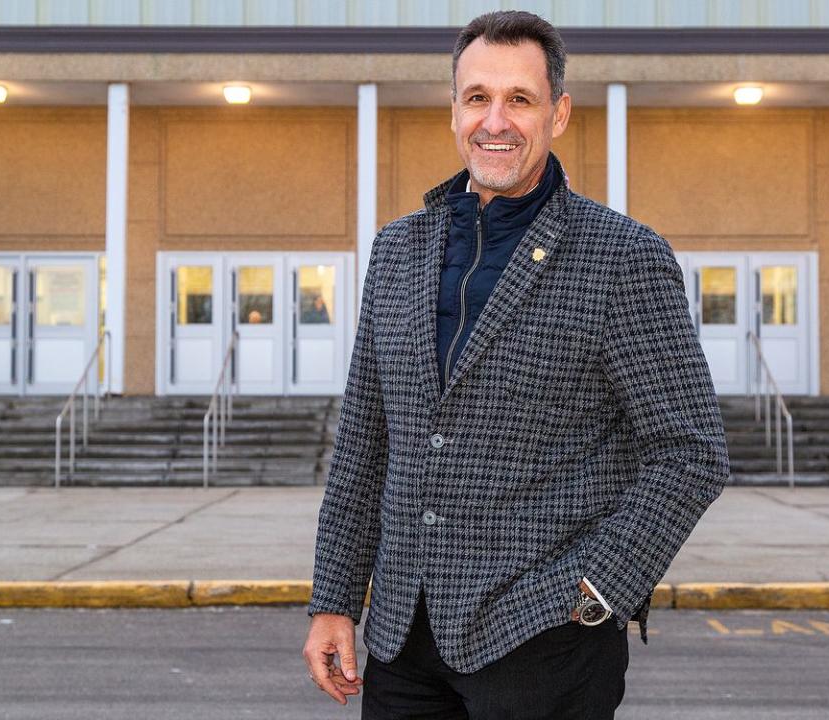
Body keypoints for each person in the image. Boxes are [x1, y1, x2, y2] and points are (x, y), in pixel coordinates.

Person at [303, 10, 729, 719]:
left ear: (558, 113)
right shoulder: (397, 250)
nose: (494, 121)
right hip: (404, 643)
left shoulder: (623, 257)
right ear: (454, 110)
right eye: (477, 98)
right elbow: (365, 443)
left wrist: (597, 593)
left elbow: (691, 453)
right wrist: (334, 599)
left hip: (546, 642)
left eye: (519, 100)